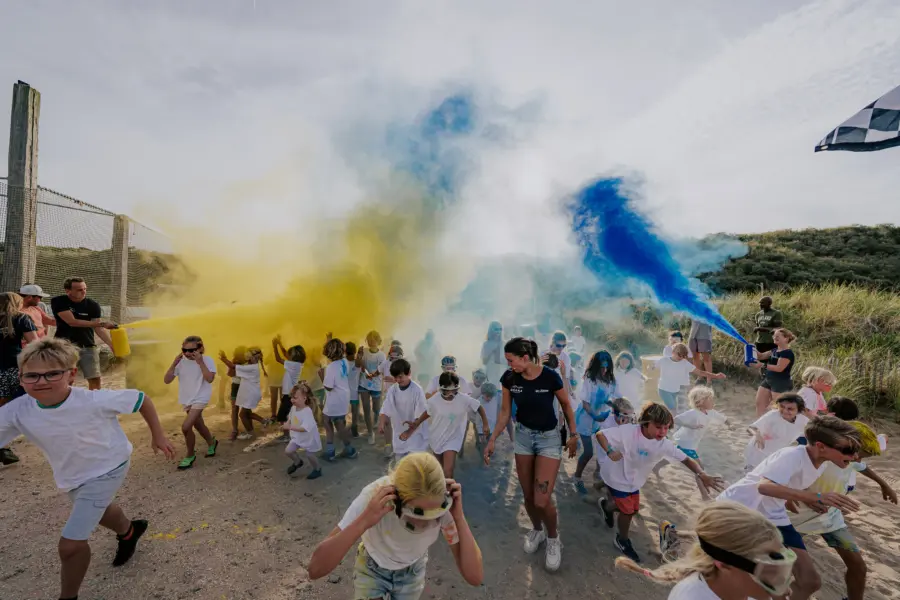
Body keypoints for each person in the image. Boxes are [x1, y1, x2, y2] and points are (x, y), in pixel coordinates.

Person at [0, 338, 175, 600]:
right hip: (72, 475)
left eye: (52, 374)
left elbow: (141, 399)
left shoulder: (93, 400)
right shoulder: (17, 411)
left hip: (109, 465)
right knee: (99, 510)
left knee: (70, 546)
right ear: (21, 377)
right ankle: (129, 531)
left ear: (71, 374)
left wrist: (158, 436)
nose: (41, 381)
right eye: (32, 375)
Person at [719, 416, 862, 600]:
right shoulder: (792, 455)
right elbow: (764, 486)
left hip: (774, 517)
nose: (855, 456)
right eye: (848, 450)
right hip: (741, 513)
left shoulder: (819, 462)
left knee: (810, 581)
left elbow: (786, 482)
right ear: (820, 446)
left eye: (856, 450)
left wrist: (799, 499)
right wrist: (815, 496)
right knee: (762, 582)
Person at [307, 453, 483, 598]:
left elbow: (474, 576)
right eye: (415, 516)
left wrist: (459, 517)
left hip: (412, 572)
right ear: (395, 501)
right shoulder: (375, 497)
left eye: (434, 517)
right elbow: (316, 568)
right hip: (372, 568)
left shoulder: (441, 506)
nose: (425, 524)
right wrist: (364, 520)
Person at [483, 337, 578, 572]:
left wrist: (574, 435)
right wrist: (493, 438)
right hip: (523, 437)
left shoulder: (550, 377)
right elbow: (505, 412)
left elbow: (566, 405)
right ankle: (537, 530)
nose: (509, 365)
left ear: (525, 358)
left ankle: (554, 539)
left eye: (511, 360)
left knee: (541, 499)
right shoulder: (509, 378)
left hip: (548, 439)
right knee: (527, 495)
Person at [595, 402, 723, 563]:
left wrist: (701, 474)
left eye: (666, 428)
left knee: (632, 509)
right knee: (627, 511)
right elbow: (600, 434)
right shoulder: (628, 432)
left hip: (634, 480)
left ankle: (606, 506)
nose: (662, 432)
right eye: (658, 427)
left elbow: (686, 459)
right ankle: (622, 540)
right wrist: (610, 451)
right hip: (616, 476)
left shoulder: (664, 444)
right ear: (646, 423)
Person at [790, 419, 897, 600]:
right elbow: (783, 482)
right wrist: (808, 498)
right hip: (796, 517)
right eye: (858, 455)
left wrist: (884, 485)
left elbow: (863, 467)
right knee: (791, 572)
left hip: (830, 518)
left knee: (859, 566)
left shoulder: (851, 458)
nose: (858, 460)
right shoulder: (816, 458)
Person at [616, 500, 796, 600]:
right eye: (769, 568)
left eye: (782, 564)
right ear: (724, 564)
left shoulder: (745, 587)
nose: (787, 589)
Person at [400, 372, 488, 478]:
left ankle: (449, 493)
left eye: (454, 391)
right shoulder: (434, 400)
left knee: (448, 470)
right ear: (441, 389)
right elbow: (428, 412)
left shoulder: (463, 398)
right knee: (439, 470)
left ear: (457, 388)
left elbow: (479, 407)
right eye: (447, 391)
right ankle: (443, 490)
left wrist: (485, 424)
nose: (451, 395)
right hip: (437, 436)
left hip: (453, 437)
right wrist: (415, 424)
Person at [50, 277, 116, 390]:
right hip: (64, 346)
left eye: (85, 288)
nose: (84, 291)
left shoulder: (93, 305)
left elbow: (98, 328)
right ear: (68, 291)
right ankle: (65, 403)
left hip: (88, 346)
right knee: (66, 378)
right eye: (79, 289)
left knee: (95, 378)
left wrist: (111, 344)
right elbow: (72, 322)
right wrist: (101, 324)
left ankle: (93, 404)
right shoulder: (58, 301)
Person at [163, 336, 218, 470]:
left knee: (186, 427)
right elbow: (167, 380)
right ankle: (212, 442)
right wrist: (173, 363)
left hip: (201, 396)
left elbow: (210, 379)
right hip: (187, 398)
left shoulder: (207, 360)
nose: (187, 353)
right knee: (199, 424)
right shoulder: (181, 361)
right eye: (184, 350)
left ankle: (189, 455)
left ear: (200, 349)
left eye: (191, 350)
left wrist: (200, 362)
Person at [668, 386, 730, 499]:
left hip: (690, 444)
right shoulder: (693, 413)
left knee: (673, 457)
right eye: (709, 399)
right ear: (700, 402)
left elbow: (720, 417)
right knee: (700, 469)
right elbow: (675, 419)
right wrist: (691, 425)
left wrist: (728, 423)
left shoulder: (710, 412)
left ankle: (657, 466)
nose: (712, 401)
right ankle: (705, 496)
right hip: (685, 444)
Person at [0, 292, 38, 465]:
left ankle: (4, 447)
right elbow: (34, 344)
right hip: (14, 368)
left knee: (4, 406)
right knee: (23, 404)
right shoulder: (22, 318)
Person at [572, 350, 617, 496]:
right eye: (601, 367)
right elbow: (585, 403)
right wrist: (595, 416)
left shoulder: (610, 381)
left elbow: (608, 398)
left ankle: (598, 475)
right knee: (588, 452)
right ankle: (577, 477)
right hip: (586, 419)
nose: (604, 370)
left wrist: (614, 405)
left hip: (601, 419)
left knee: (604, 448)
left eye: (607, 367)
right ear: (595, 366)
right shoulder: (589, 380)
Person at [379, 358, 428, 461]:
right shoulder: (393, 390)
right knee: (400, 466)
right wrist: (382, 423)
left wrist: (409, 432)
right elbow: (385, 408)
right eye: (395, 377)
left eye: (400, 377)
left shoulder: (417, 390)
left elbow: (421, 415)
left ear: (409, 373)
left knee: (414, 465)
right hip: (399, 435)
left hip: (415, 436)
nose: (398, 380)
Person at [745, 393, 809, 470]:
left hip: (777, 454)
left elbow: (810, 436)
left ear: (798, 410)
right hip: (758, 451)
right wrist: (757, 435)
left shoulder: (803, 421)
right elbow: (750, 428)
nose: (785, 411)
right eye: (782, 406)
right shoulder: (773, 415)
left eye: (790, 409)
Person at [655, 343, 725, 413]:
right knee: (672, 408)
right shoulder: (664, 360)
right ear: (673, 352)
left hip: (680, 387)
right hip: (665, 388)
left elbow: (700, 372)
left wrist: (715, 375)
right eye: (679, 355)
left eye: (683, 356)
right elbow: (654, 366)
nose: (681, 357)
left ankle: (677, 420)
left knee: (682, 408)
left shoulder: (685, 363)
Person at [319, 338, 358, 461]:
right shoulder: (344, 361)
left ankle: (338, 451)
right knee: (337, 422)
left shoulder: (331, 367)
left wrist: (322, 376)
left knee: (330, 422)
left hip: (334, 399)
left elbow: (329, 387)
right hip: (343, 397)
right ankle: (346, 450)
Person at [219, 348, 268, 440]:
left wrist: (225, 360)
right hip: (237, 386)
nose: (245, 356)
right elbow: (230, 373)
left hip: (245, 388)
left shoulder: (249, 365)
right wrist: (232, 364)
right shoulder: (245, 363)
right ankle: (237, 430)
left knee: (244, 412)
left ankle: (250, 431)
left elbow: (233, 370)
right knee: (236, 409)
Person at [751, 328, 796, 416]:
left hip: (780, 382)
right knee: (760, 403)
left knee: (777, 407)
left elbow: (779, 368)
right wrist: (751, 348)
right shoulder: (775, 350)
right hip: (769, 379)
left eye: (778, 336)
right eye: (774, 335)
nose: (774, 337)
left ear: (786, 339)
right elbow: (761, 356)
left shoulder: (787, 353)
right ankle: (759, 426)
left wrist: (762, 365)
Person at [283, 381, 323, 480]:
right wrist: (288, 422)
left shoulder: (307, 411)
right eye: (291, 397)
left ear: (304, 398)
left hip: (309, 438)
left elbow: (304, 428)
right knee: (288, 451)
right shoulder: (293, 408)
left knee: (310, 455)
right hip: (298, 437)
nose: (292, 400)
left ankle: (317, 469)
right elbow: (290, 417)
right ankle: (298, 462)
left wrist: (290, 427)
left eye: (295, 398)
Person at [272, 336, 306, 440]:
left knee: (283, 416)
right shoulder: (297, 364)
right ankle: (290, 434)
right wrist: (280, 344)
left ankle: (286, 436)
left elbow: (278, 359)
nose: (288, 355)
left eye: (290, 354)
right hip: (290, 394)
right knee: (288, 415)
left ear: (294, 356)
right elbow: (285, 354)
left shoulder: (293, 365)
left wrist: (274, 346)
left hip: (289, 395)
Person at [359, 331, 386, 445]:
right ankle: (371, 433)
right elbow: (360, 364)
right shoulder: (364, 351)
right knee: (365, 408)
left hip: (376, 384)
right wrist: (366, 372)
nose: (370, 342)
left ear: (378, 341)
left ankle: (376, 418)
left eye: (373, 339)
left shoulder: (381, 355)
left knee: (376, 407)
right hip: (364, 383)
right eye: (369, 339)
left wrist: (372, 375)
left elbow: (381, 369)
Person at [481, 321, 506, 387]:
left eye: (500, 329)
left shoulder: (504, 344)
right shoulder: (486, 344)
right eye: (496, 329)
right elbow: (484, 362)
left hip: (502, 371)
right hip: (491, 370)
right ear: (491, 330)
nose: (498, 331)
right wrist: (492, 352)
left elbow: (501, 360)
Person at [688, 319, 713, 385]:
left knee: (706, 358)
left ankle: (709, 380)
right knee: (695, 357)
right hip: (693, 334)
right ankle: (700, 377)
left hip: (705, 335)